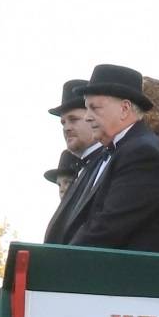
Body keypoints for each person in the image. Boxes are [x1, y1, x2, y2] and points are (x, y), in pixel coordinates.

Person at [64, 64, 159, 253]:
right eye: (86, 109)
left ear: (125, 109)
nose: (87, 117)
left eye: (94, 108)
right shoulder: (128, 148)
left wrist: (57, 260)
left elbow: (105, 230)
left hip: (129, 277)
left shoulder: (143, 155)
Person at [43, 79, 106, 243]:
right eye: (63, 122)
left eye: (73, 119)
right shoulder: (86, 169)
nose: (66, 127)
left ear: (93, 118)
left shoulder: (108, 163)